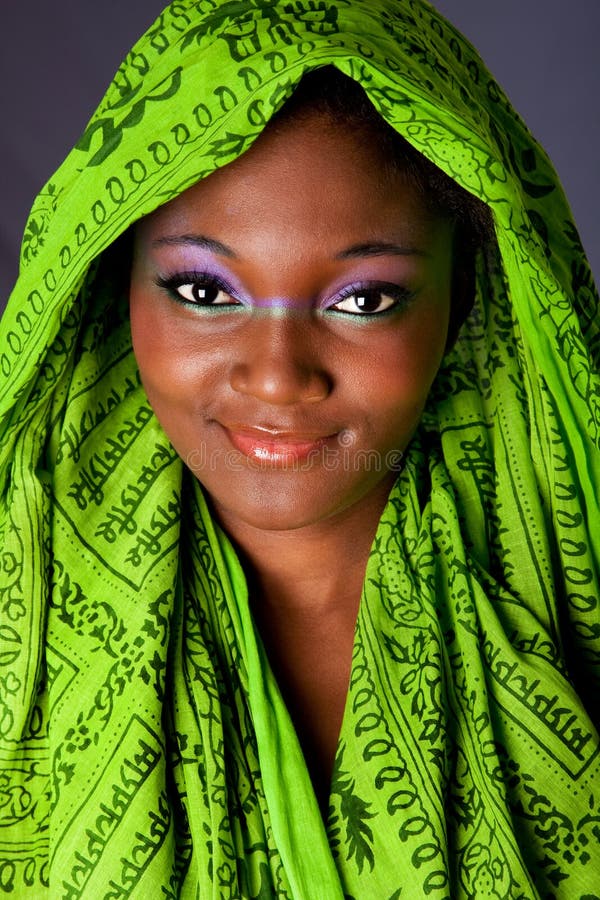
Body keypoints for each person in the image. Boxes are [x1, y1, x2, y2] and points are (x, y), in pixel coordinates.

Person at [1, 0, 598, 896]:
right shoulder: (22, 598)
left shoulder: (569, 578)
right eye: (204, 289)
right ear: (111, 287)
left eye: (363, 299)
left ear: (467, 297)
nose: (278, 379)